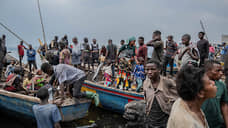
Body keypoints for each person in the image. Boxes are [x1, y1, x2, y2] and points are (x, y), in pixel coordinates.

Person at [143, 60, 177, 128]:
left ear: (159, 70)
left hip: (165, 120)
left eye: (153, 69)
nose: (149, 72)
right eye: (147, 69)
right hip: (151, 119)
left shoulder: (167, 82)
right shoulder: (146, 83)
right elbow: (146, 99)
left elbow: (179, 94)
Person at [201, 60, 228, 128]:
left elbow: (224, 104)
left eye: (221, 70)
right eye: (217, 70)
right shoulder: (198, 85)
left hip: (217, 124)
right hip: (201, 123)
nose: (221, 73)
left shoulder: (221, 85)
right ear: (207, 71)